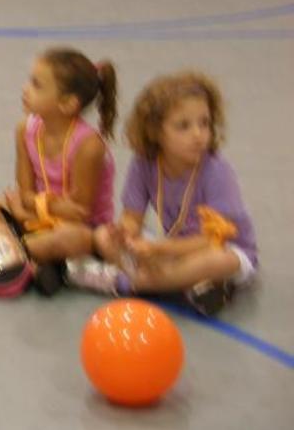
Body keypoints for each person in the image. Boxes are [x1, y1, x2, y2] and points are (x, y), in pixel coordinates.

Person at [71, 71, 258, 316]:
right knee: (103, 236)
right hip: (171, 248)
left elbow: (212, 240)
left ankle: (127, 282)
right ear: (155, 131)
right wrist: (126, 235)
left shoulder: (217, 171)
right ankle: (191, 286)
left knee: (219, 260)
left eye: (204, 123)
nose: (198, 134)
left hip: (222, 248)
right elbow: (132, 217)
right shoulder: (144, 163)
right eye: (183, 126)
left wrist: (159, 251)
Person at [0, 48, 117, 295]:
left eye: (36, 85)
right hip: (33, 217)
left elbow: (79, 212)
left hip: (77, 227)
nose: (25, 89)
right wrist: (25, 209)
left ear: (67, 104)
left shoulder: (89, 145)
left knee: (69, 238)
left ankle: (6, 251)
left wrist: (26, 209)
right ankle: (27, 256)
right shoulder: (25, 130)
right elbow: (24, 192)